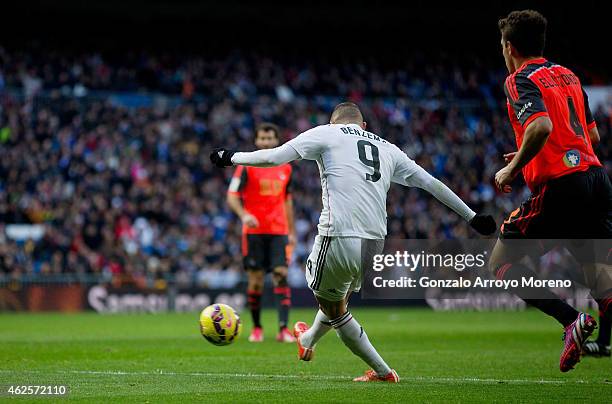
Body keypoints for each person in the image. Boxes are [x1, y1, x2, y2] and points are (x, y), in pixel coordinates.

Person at [211, 102, 496, 382]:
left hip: (338, 234)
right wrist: (472, 217)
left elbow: (273, 157)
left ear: (335, 122)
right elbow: (431, 183)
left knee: (334, 308)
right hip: (375, 243)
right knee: (339, 297)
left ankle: (383, 372)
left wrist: (229, 156)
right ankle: (308, 338)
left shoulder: (327, 133)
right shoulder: (388, 148)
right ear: (363, 126)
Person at [491, 10, 612, 372]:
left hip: (564, 186)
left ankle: (570, 320)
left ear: (509, 46)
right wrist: (533, 152)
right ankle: (601, 342)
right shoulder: (569, 75)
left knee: (501, 262)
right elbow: (591, 136)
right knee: (601, 279)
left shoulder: (518, 79)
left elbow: (541, 126)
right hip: (597, 181)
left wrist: (513, 167)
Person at [226, 123, 297, 343]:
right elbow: (232, 195)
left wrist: (292, 230)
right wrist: (243, 215)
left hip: (278, 231)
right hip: (254, 231)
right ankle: (257, 328)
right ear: (256, 141)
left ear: (276, 141)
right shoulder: (245, 166)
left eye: (270, 139)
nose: (266, 143)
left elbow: (287, 200)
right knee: (255, 281)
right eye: (262, 139)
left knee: (280, 274)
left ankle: (283, 329)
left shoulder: (285, 167)